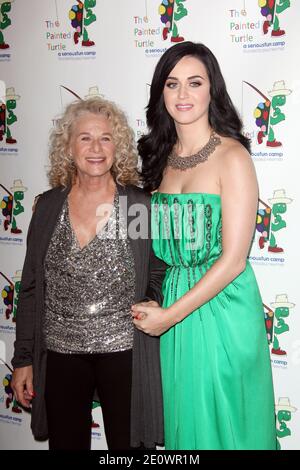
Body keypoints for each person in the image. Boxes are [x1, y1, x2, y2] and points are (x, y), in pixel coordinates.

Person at [132, 41, 277, 450]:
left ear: (212, 89)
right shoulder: (158, 159)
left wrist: (168, 317)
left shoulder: (233, 157)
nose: (182, 94)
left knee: (228, 427)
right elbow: (142, 239)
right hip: (175, 309)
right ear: (160, 92)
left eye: (194, 83)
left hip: (223, 310)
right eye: (172, 84)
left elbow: (233, 260)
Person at [11, 97, 165, 450]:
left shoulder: (137, 205)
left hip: (124, 348)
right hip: (61, 352)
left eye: (106, 138)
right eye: (85, 138)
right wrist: (23, 360)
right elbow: (32, 289)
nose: (96, 148)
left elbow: (157, 272)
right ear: (68, 146)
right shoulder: (47, 206)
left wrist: (150, 302)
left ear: (119, 147)